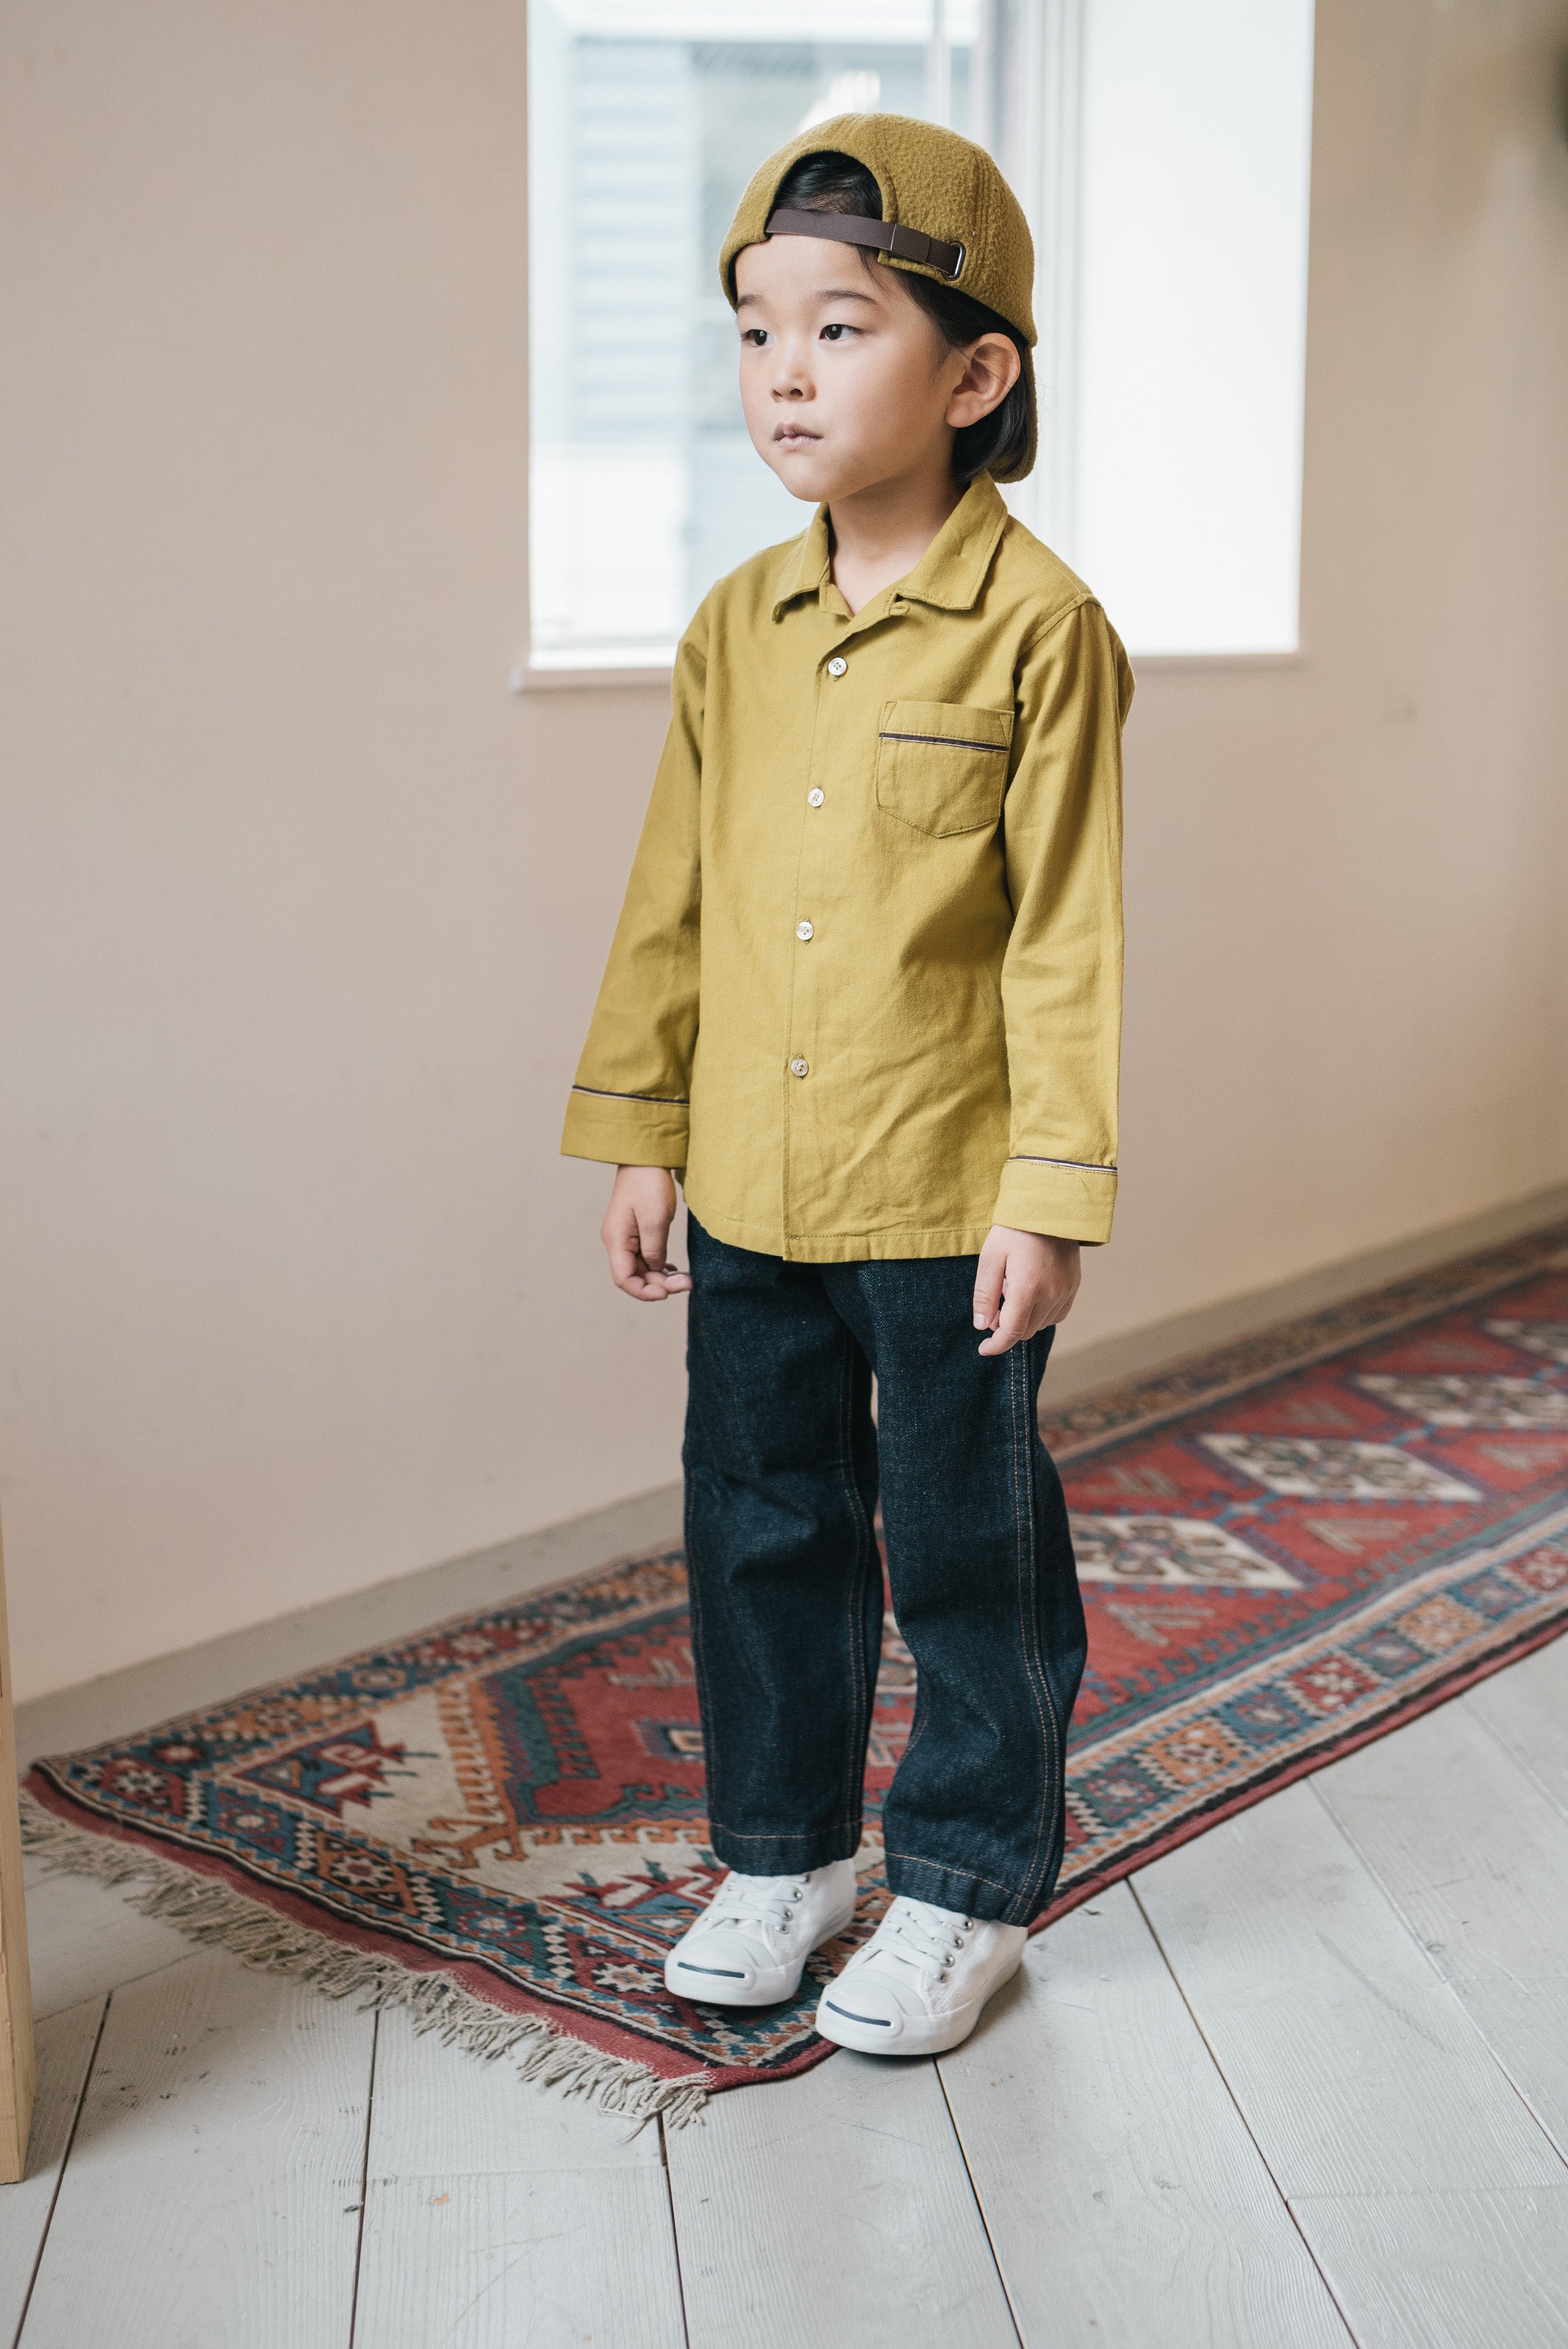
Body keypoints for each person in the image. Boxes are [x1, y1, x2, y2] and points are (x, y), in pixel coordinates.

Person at [561, 113, 1133, 2058]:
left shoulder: (1043, 632)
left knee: (968, 1549)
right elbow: (671, 897)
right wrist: (644, 1130)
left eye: (838, 326)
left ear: (975, 377)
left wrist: (1052, 1191)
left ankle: (967, 1885)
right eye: (755, 332)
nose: (784, 374)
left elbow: (1065, 937)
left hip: (946, 1194)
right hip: (749, 1177)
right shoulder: (734, 628)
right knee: (761, 1524)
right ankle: (784, 1858)